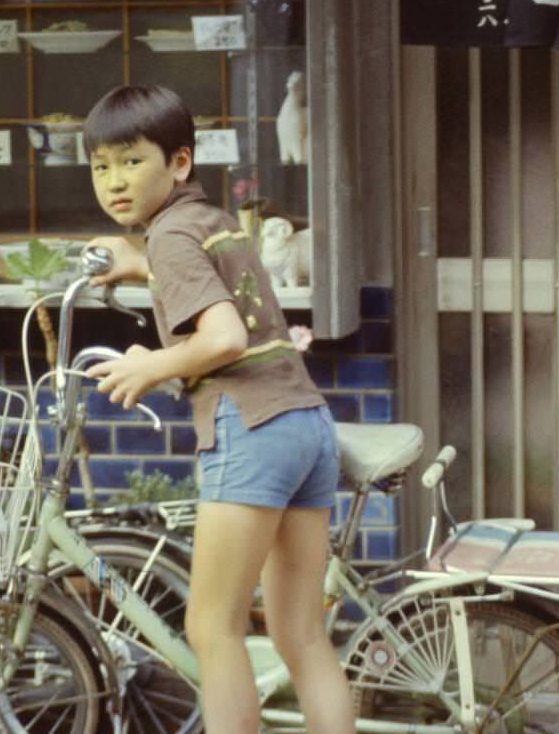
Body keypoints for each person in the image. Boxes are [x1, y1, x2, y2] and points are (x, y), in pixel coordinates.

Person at [83, 85, 356, 734]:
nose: (114, 180)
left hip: (249, 424)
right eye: (100, 165)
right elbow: (198, 273)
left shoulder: (171, 238)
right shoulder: (206, 219)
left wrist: (148, 364)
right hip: (304, 420)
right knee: (302, 635)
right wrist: (136, 262)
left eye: (131, 161)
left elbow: (225, 337)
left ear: (178, 162)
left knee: (211, 626)